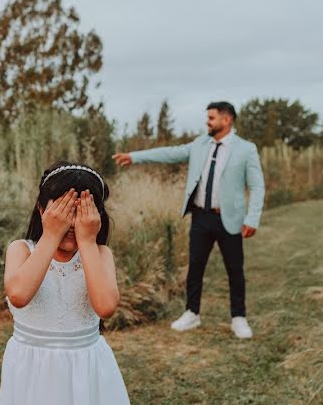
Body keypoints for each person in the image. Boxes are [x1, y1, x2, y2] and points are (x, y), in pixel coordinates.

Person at [0, 162, 142, 405]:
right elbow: (19, 295)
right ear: (40, 209)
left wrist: (88, 242)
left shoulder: (100, 254)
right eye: (62, 212)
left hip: (87, 369)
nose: (70, 223)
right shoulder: (21, 249)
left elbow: (105, 307)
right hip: (33, 371)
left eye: (81, 213)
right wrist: (51, 235)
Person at [113, 101, 265, 338]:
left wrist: (252, 218)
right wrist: (135, 157)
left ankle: (239, 318)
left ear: (227, 120)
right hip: (200, 217)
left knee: (235, 270)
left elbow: (257, 186)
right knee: (195, 267)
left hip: (229, 218)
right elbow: (170, 154)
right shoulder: (199, 144)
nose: (208, 122)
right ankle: (192, 313)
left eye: (212, 118)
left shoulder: (246, 149)